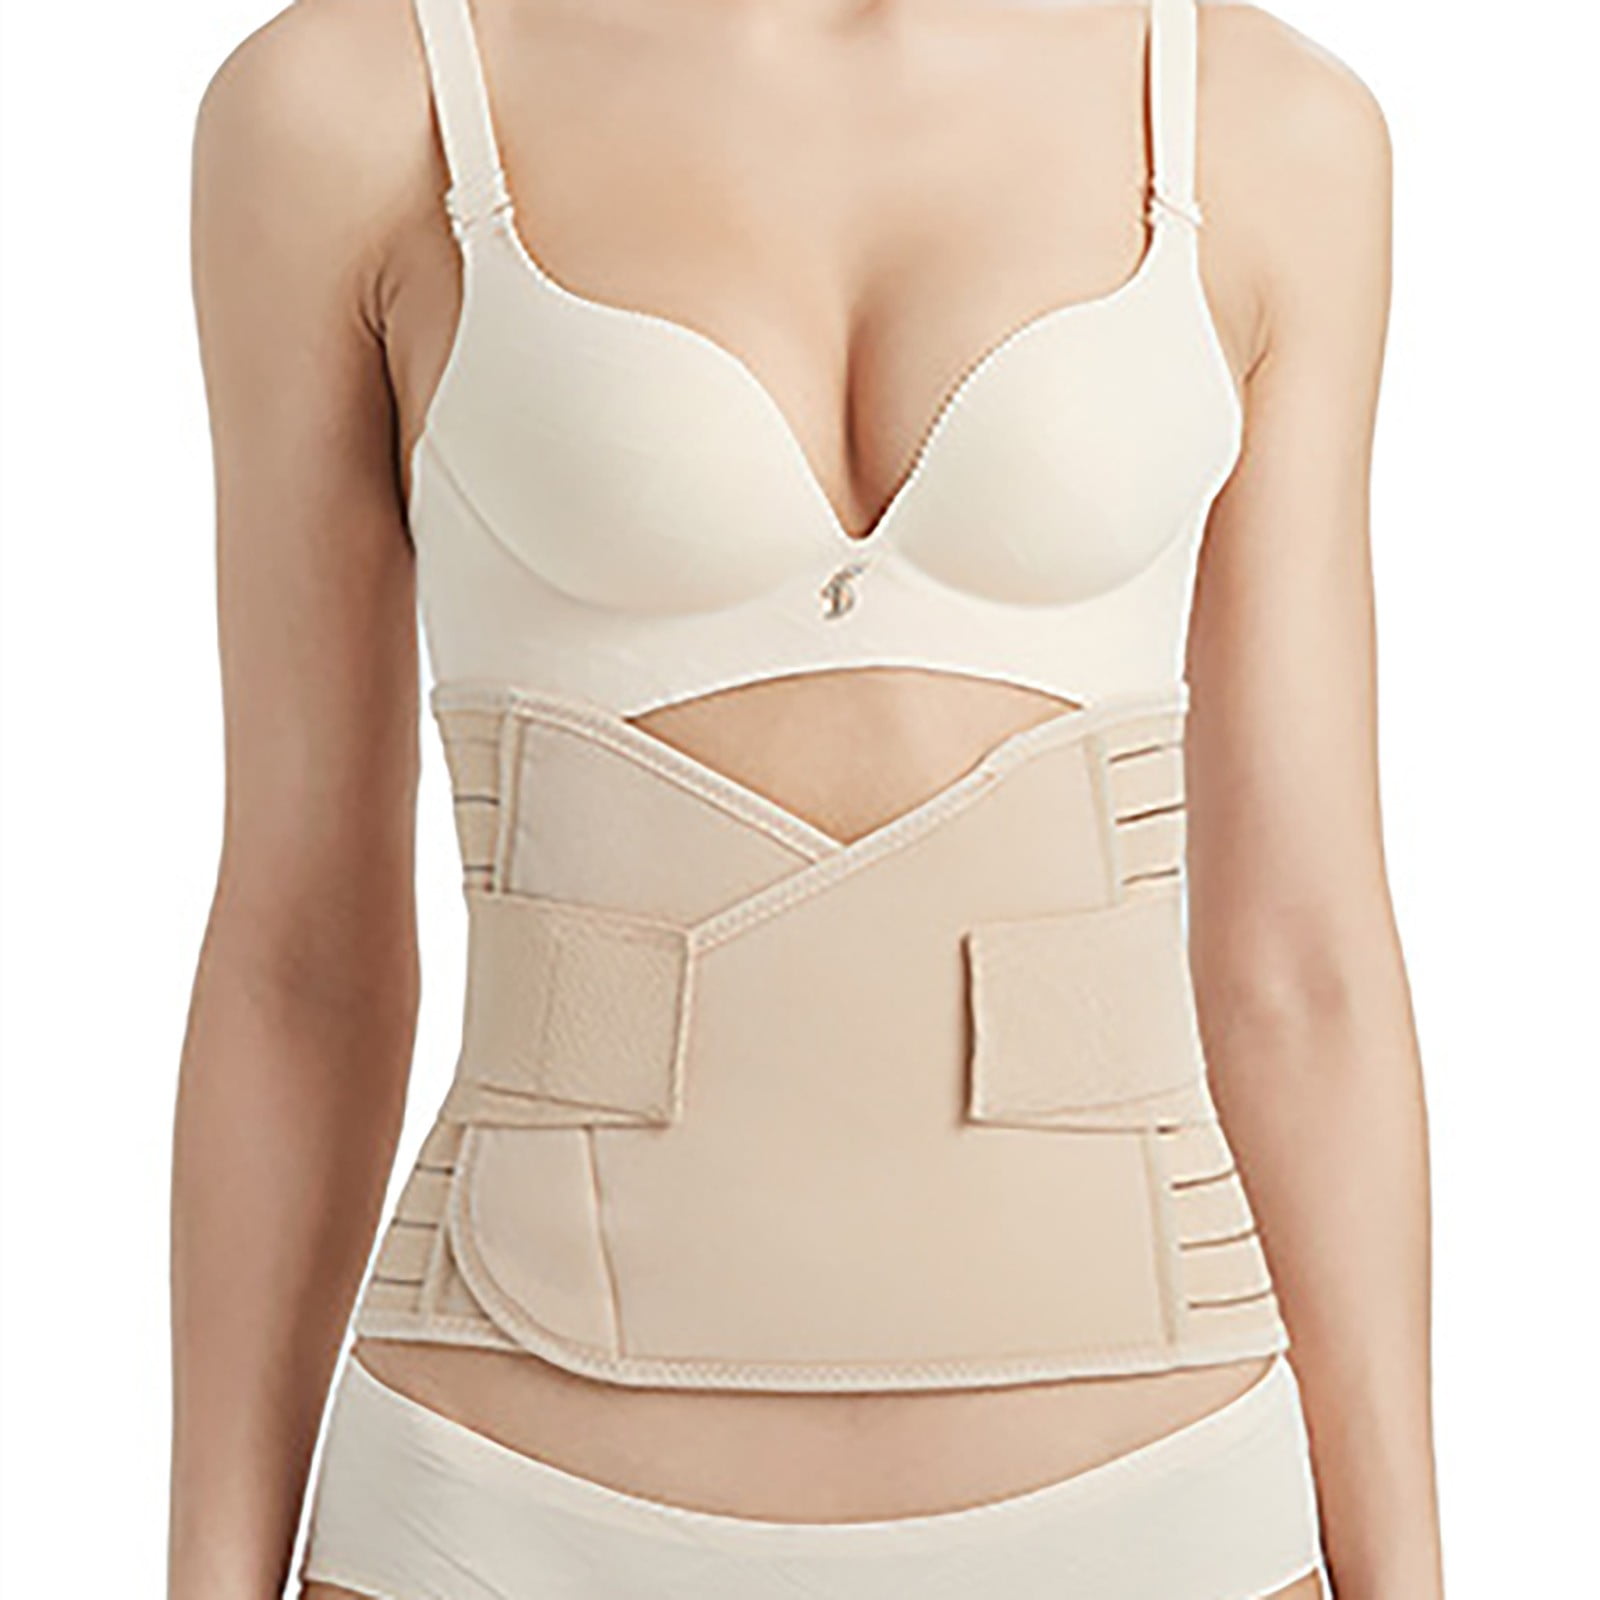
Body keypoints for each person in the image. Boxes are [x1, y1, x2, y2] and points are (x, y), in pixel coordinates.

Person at [169, 0, 1442, 1596]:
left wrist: (1410, 1572)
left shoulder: (1262, 126)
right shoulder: (353, 108)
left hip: (1157, 1505)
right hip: (506, 1512)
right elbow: (303, 960)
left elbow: (1300, 963)